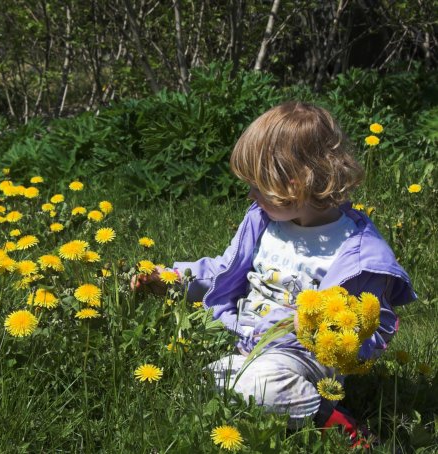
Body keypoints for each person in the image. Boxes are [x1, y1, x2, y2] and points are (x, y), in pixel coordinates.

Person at [132, 101, 416, 445]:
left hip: (305, 358)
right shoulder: (264, 221)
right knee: (206, 380)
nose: (251, 194)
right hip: (250, 345)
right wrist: (172, 279)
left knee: (257, 384)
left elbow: (373, 327)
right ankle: (278, 401)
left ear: (295, 184)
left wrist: (319, 329)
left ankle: (338, 425)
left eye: (259, 186)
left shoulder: (357, 252)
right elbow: (224, 270)